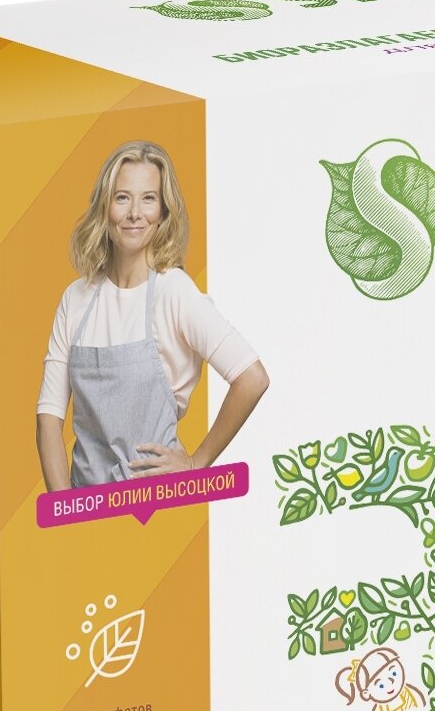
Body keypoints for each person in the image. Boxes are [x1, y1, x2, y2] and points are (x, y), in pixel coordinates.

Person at [36, 140, 269, 490]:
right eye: (122, 197)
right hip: (87, 502)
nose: (135, 213)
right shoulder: (76, 298)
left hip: (158, 504)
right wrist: (66, 509)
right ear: (105, 206)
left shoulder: (174, 291)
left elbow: (252, 378)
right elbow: (49, 417)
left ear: (163, 211)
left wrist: (196, 463)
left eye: (148, 198)